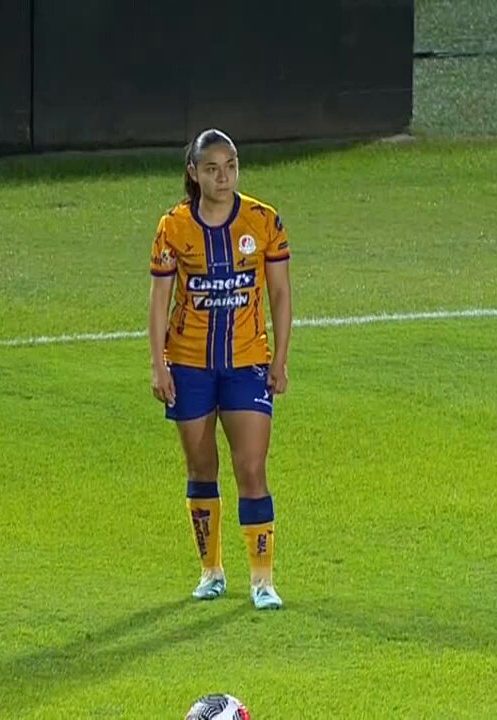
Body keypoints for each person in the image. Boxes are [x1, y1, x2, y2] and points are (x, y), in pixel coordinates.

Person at [147, 128, 292, 610]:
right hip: (188, 364)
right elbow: (159, 300)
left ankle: (263, 581)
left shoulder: (263, 220)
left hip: (247, 360)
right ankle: (211, 571)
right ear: (194, 173)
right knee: (201, 466)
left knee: (252, 467)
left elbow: (280, 294)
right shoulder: (174, 227)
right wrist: (158, 365)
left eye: (230, 165)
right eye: (212, 168)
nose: (223, 176)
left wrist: (281, 359)